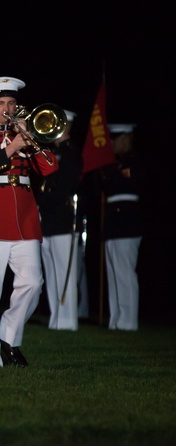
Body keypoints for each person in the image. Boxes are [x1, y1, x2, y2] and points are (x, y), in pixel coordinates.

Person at [0, 76, 58, 367]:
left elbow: (50, 168)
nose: (7, 107)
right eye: (1, 102)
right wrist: (11, 147)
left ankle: (8, 334)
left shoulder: (25, 134)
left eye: (12, 102)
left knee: (33, 282)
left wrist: (30, 140)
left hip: (24, 220)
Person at [36, 109, 83, 331]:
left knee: (65, 271)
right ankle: (56, 318)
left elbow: (65, 186)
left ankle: (68, 320)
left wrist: (44, 200)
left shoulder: (72, 153)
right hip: (48, 220)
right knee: (51, 270)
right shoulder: (51, 152)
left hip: (63, 218)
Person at [100, 123, 141, 331]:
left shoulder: (133, 161)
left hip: (127, 221)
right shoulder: (114, 163)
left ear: (126, 138)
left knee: (125, 271)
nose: (113, 144)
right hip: (114, 222)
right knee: (114, 271)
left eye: (116, 139)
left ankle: (129, 320)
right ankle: (116, 318)